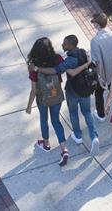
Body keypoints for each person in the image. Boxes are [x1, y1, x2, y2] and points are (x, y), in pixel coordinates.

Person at [32, 35, 100, 155]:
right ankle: (94, 137)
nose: (63, 45)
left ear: (70, 45)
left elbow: (55, 70)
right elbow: (91, 64)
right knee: (87, 112)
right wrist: (86, 64)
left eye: (65, 43)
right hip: (86, 89)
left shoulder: (69, 60)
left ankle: (78, 135)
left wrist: (38, 69)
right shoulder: (83, 52)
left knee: (73, 113)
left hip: (73, 90)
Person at [25, 37, 70, 167]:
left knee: (44, 119)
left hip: (43, 99)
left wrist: (29, 106)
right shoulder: (58, 59)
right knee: (56, 120)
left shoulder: (34, 66)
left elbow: (33, 90)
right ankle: (64, 150)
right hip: (56, 96)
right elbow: (61, 70)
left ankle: (46, 144)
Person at [89, 13, 112, 120]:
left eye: (94, 23)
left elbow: (98, 62)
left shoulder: (95, 41)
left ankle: (101, 115)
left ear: (96, 24)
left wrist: (100, 78)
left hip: (105, 74)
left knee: (99, 93)